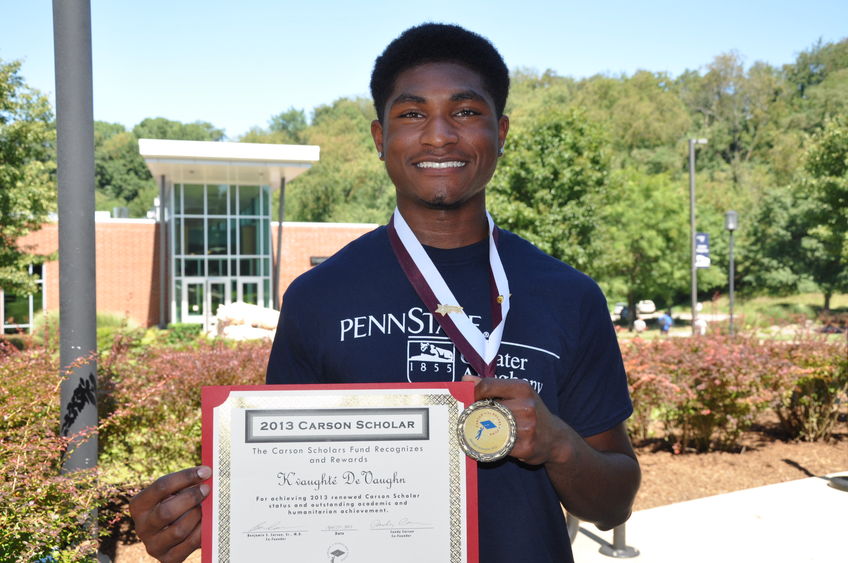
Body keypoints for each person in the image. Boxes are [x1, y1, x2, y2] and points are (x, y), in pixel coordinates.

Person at [130, 23, 640, 563]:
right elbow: (286, 488)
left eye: (465, 112)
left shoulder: (569, 294)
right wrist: (202, 516)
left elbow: (615, 503)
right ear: (380, 139)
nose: (439, 135)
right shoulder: (317, 298)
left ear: (502, 132)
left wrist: (559, 444)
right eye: (412, 114)